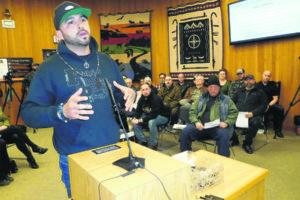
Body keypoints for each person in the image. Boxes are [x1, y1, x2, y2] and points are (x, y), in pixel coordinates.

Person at [21, 1, 135, 198]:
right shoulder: (48, 69)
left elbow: (118, 98)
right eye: (70, 22)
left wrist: (128, 94)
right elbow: (28, 114)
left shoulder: (106, 61)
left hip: (114, 149)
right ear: (59, 35)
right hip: (76, 157)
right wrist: (61, 112)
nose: (80, 24)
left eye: (83, 19)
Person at [180, 76, 238, 157]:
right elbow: (193, 111)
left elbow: (234, 113)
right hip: (202, 127)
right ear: (208, 88)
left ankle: (224, 161)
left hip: (217, 128)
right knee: (186, 131)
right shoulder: (201, 98)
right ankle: (186, 157)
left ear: (219, 88)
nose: (213, 90)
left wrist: (227, 123)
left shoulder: (226, 99)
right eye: (211, 87)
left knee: (223, 135)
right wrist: (196, 122)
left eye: (215, 87)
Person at [231, 74, 268, 154]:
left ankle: (247, 143)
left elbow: (264, 105)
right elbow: (232, 102)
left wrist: (253, 113)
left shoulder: (260, 92)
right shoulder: (239, 91)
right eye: (246, 79)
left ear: (254, 81)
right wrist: (234, 112)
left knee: (256, 122)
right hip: (239, 114)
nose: (248, 81)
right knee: (226, 120)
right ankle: (235, 139)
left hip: (253, 115)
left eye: (250, 79)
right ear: (244, 81)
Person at [131, 84, 169, 150]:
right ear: (141, 91)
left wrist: (140, 120)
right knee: (133, 121)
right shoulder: (141, 99)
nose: (145, 91)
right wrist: (135, 118)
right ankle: (142, 140)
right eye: (143, 90)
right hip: (149, 115)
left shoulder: (156, 99)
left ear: (150, 90)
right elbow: (138, 111)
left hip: (162, 116)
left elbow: (153, 115)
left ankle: (153, 144)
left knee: (151, 122)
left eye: (147, 89)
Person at [257, 70, 284, 138]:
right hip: (261, 105)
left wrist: (268, 106)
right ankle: (259, 127)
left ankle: (278, 130)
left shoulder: (272, 85)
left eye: (268, 76)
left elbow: (275, 99)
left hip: (270, 104)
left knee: (280, 109)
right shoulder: (257, 85)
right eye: (265, 75)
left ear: (270, 77)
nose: (266, 77)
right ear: (262, 75)